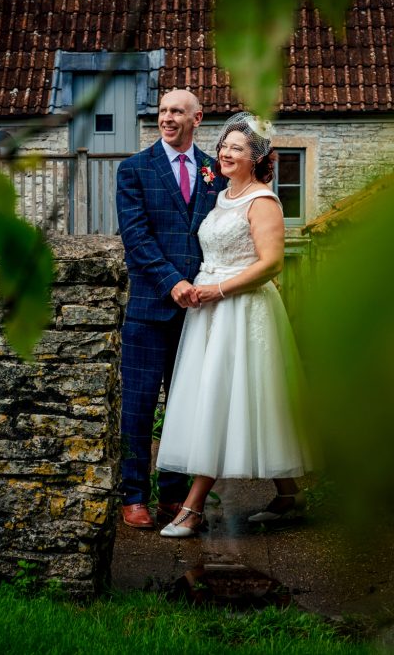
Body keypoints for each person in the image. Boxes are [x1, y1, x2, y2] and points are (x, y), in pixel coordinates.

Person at [155, 112, 310, 538]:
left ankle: (193, 506)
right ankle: (290, 493)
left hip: (241, 310)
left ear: (256, 157)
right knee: (237, 398)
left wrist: (218, 290)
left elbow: (271, 263)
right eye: (223, 145)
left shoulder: (263, 201)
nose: (224, 151)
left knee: (224, 397)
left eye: (236, 148)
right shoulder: (221, 196)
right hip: (208, 309)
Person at [115, 89, 227, 529]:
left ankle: (174, 496)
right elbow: (136, 237)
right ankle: (135, 496)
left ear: (197, 118)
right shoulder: (134, 169)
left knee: (186, 406)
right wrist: (172, 282)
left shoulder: (216, 172)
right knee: (139, 406)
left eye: (177, 111)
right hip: (149, 308)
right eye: (163, 110)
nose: (167, 117)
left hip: (197, 311)